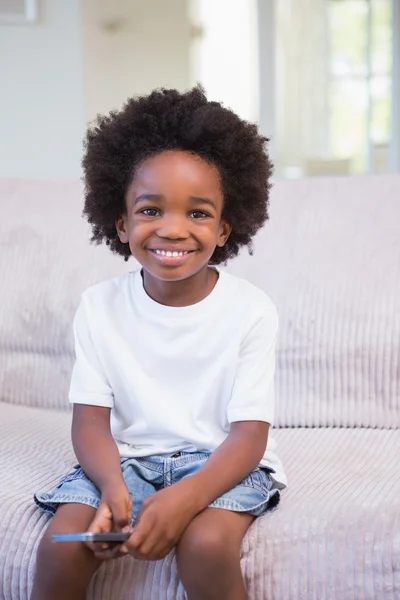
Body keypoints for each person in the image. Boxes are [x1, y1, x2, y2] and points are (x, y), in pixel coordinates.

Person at [31, 86, 286, 600]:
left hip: (218, 462)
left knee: (207, 544)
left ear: (223, 229)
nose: (173, 229)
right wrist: (113, 490)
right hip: (123, 462)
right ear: (121, 223)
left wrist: (187, 498)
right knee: (62, 544)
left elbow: (248, 437)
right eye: (151, 210)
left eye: (197, 214)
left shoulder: (251, 309)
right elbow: (90, 422)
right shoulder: (99, 306)